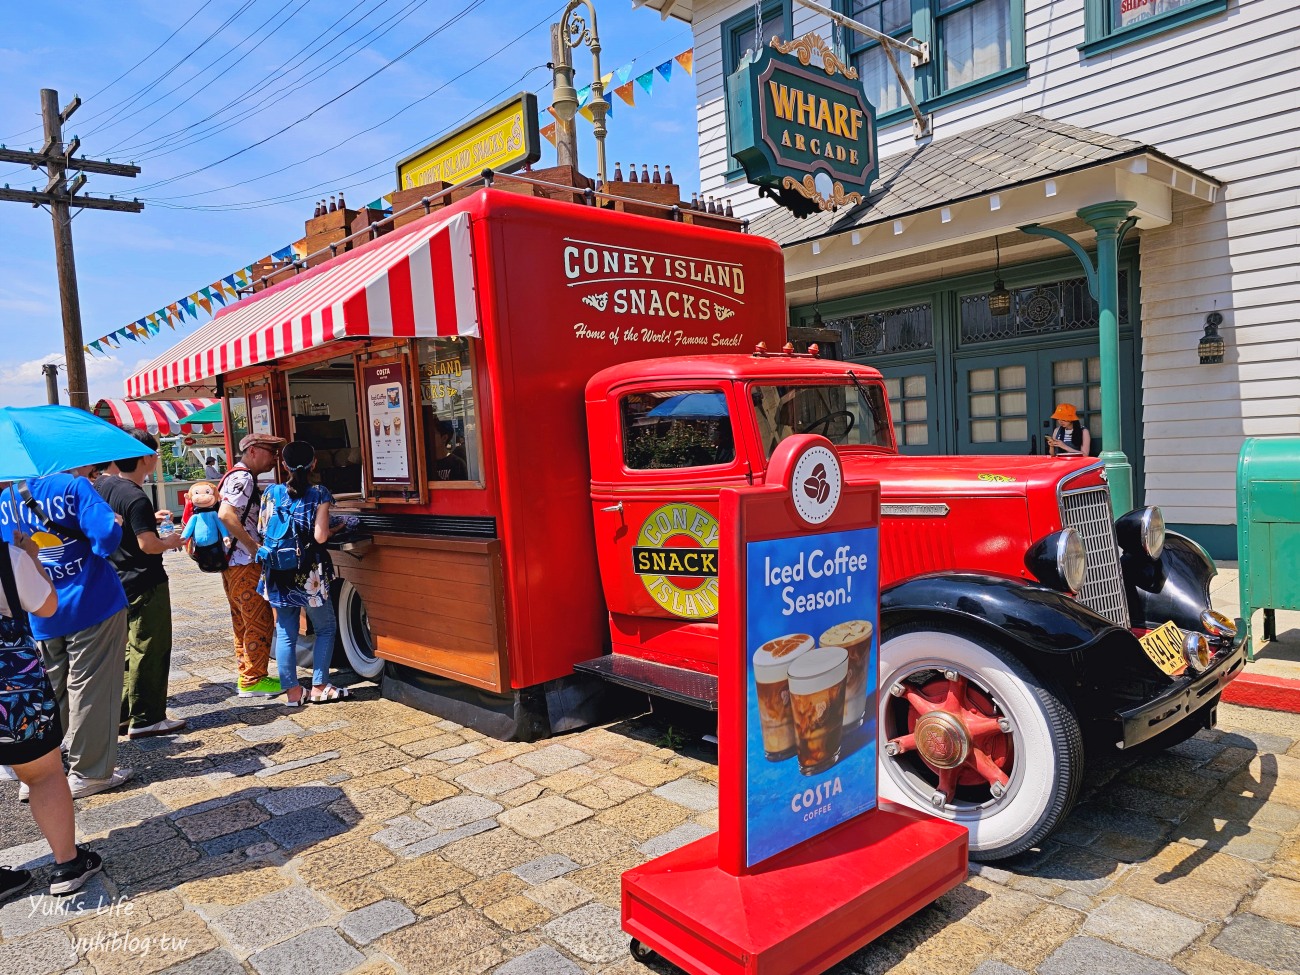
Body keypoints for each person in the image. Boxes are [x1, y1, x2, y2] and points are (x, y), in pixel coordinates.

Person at [0, 470, 131, 800]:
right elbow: (105, 533)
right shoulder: (73, 486)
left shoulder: (6, 499)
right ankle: (89, 772)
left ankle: (36, 774)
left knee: (47, 691)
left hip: (39, 606)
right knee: (93, 687)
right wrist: (110, 531)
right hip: (91, 601)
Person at [0, 531, 103, 900]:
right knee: (43, 774)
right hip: (13, 692)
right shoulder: (8, 557)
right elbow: (46, 606)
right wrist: (31, 556)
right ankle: (67, 863)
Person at [96, 431, 187, 738]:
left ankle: (122, 713)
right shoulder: (136, 496)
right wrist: (170, 540)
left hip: (115, 578)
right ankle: (147, 717)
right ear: (146, 457)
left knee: (126, 649)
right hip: (144, 580)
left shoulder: (105, 485)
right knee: (150, 646)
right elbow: (147, 544)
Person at [257, 441, 350, 706]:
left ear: (283, 465)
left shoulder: (271, 493)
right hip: (309, 572)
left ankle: (294, 694)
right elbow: (320, 536)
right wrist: (334, 529)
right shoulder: (319, 493)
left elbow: (264, 530)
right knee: (326, 627)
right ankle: (320, 686)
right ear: (314, 464)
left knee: (285, 632)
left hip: (277, 568)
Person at [218, 434, 285, 698]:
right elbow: (226, 514)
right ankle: (254, 678)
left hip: (231, 561)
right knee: (258, 619)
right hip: (243, 562)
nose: (275, 458)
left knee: (242, 620)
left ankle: (247, 674)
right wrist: (251, 545)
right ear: (254, 451)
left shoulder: (233, 475)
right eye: (272, 452)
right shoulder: (243, 478)